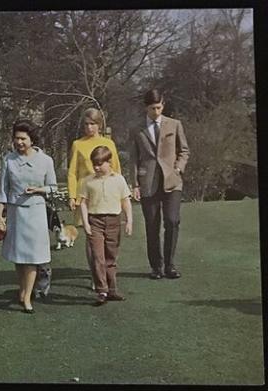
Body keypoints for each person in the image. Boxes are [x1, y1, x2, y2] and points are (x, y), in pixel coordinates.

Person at [0, 120, 58, 314]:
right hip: (16, 213)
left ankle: (27, 296)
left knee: (32, 257)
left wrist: (39, 189)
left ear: (32, 139)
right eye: (16, 138)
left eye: (23, 138)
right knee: (19, 257)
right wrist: (0, 215)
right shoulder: (9, 160)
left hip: (36, 212)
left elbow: (53, 188)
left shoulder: (46, 161)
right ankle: (23, 290)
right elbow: (2, 190)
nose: (19, 142)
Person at [129, 89, 190, 279]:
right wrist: (134, 184)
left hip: (172, 181)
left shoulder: (174, 124)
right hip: (148, 182)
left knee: (172, 221)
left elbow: (184, 150)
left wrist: (178, 168)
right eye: (152, 108)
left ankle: (170, 266)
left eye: (158, 107)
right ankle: (156, 267)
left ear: (163, 104)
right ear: (145, 108)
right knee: (152, 225)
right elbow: (133, 159)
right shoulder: (136, 129)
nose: (156, 112)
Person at [66, 108, 122, 291]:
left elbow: (116, 170)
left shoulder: (108, 144)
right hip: (86, 194)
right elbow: (72, 172)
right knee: (92, 237)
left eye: (93, 124)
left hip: (106, 194)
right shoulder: (77, 144)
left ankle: (107, 272)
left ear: (99, 125)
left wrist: (120, 195)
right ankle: (96, 275)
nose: (89, 127)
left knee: (108, 238)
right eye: (86, 124)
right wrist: (72, 195)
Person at [79, 146, 134, 305]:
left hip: (113, 221)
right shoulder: (88, 181)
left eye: (100, 164)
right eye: (94, 164)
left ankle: (112, 290)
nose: (96, 167)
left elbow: (125, 201)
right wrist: (86, 223)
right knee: (98, 257)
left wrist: (129, 220)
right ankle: (101, 290)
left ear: (109, 162)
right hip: (95, 221)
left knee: (111, 257)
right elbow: (83, 203)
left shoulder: (119, 179)